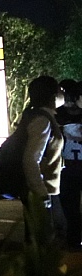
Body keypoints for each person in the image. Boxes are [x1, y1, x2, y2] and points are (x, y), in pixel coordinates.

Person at [19, 75, 65, 239]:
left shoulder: (44, 117)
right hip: (43, 192)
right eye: (60, 89)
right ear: (53, 96)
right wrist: (41, 194)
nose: (63, 92)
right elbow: (31, 159)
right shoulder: (42, 120)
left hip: (47, 190)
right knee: (45, 240)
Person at [57, 80, 82, 249]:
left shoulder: (57, 115)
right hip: (66, 169)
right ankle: (74, 240)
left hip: (69, 169)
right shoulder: (56, 115)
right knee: (70, 209)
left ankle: (74, 240)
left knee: (71, 207)